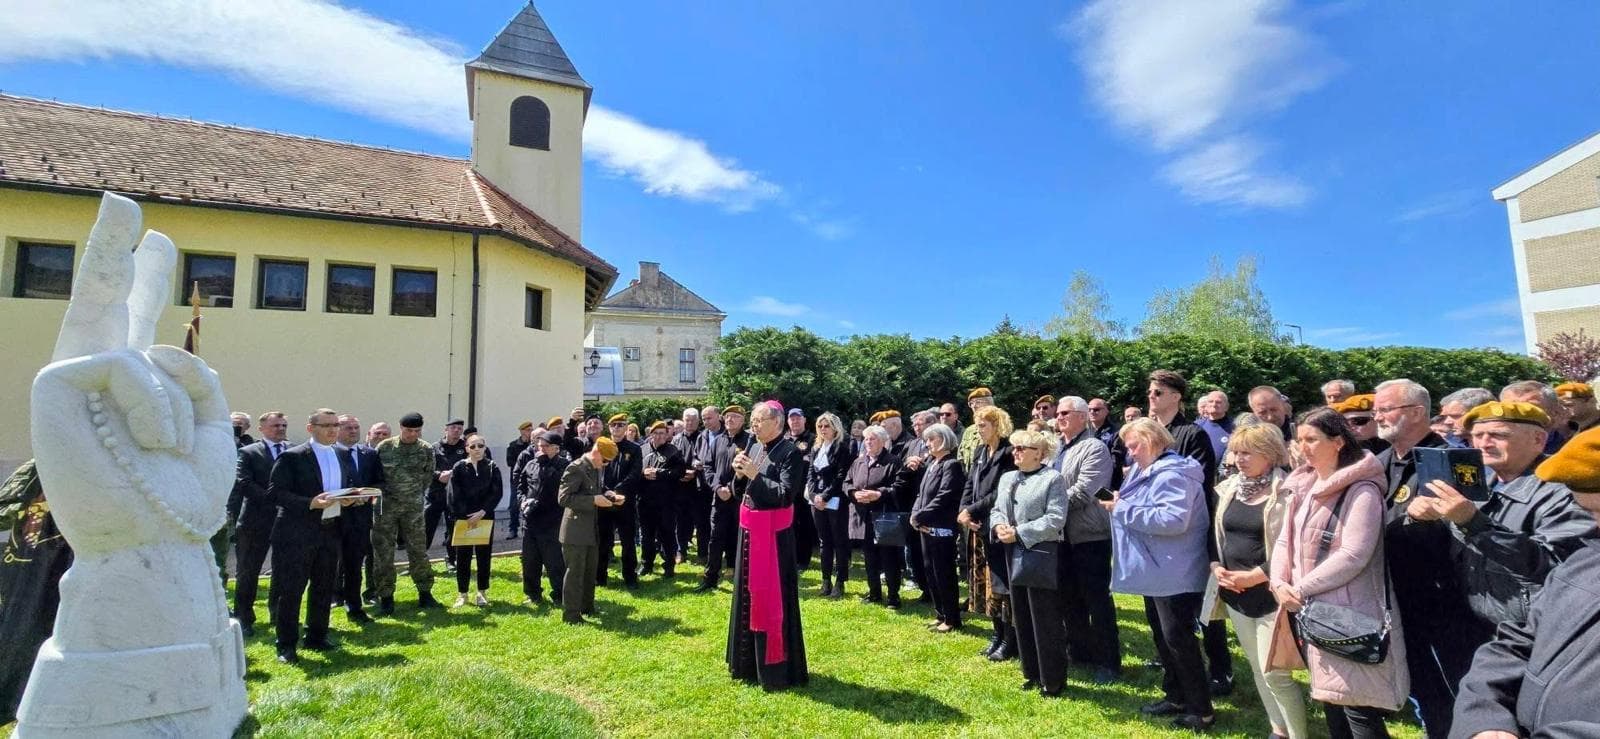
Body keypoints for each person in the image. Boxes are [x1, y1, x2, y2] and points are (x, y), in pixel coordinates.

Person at [1451, 425, 1600, 737]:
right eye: (1590, 512)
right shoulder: (1586, 560)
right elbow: (1518, 641)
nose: (1595, 527)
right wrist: (1483, 719)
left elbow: (1537, 561)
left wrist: (1475, 524)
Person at [1273, 408, 1408, 739]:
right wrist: (1278, 581)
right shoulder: (1303, 484)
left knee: (1357, 709)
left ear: (1336, 442)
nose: (1303, 447)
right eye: (1299, 439)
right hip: (1311, 609)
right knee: (1331, 701)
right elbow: (1283, 540)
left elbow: (1353, 554)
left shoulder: (1361, 489)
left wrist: (1300, 587)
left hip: (1348, 611)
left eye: (1312, 439)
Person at [1405, 401, 1596, 627]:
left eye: (1498, 435)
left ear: (1538, 439)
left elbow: (1554, 565)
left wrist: (1473, 522)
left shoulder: (1564, 491)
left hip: (1529, 631)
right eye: (1477, 435)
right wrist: (1420, 518)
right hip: (1470, 622)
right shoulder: (1475, 484)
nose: (1484, 443)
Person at [1373, 378, 1469, 737]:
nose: (1377, 416)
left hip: (1442, 603)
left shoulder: (1449, 461)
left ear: (1416, 412)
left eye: (1386, 409)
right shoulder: (1380, 462)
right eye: (1377, 409)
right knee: (1421, 688)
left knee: (1453, 689)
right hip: (1395, 596)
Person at [1107, 417, 1214, 730]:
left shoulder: (1174, 473)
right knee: (1164, 637)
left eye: (1134, 445)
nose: (1130, 453)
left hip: (1174, 571)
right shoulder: (1149, 470)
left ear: (1153, 440)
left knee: (1179, 638)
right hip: (1158, 570)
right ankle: (1177, 695)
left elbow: (1172, 520)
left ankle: (1201, 709)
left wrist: (1121, 509)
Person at [1206, 423, 1308, 739]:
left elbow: (1293, 546)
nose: (1239, 459)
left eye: (1247, 452)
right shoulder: (1229, 488)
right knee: (1257, 669)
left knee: (1275, 673)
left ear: (1269, 454)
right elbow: (1215, 535)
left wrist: (1257, 575)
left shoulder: (1288, 491)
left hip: (1271, 594)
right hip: (1235, 593)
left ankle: (1298, 734)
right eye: (1236, 452)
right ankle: (1278, 729)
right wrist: (1216, 567)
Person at [1147, 369, 1230, 695]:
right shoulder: (1150, 434)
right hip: (1151, 537)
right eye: (1150, 392)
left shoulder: (1192, 435)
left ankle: (1217, 673)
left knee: (1190, 618)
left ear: (1176, 397)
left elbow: (1194, 488)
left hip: (1184, 540)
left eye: (1158, 392)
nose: (1151, 397)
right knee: (1158, 620)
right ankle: (1174, 687)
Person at [727, 401, 809, 690]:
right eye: (753, 420)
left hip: (773, 540)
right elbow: (741, 492)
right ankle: (745, 663)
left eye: (760, 420)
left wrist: (753, 475)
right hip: (748, 532)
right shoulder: (754, 447)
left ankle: (775, 669)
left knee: (772, 602)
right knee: (746, 596)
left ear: (778, 422)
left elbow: (785, 495)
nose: (754, 425)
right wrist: (738, 476)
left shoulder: (790, 454)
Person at [268, 409, 359, 663]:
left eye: (335, 425)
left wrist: (349, 498)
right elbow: (276, 493)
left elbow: (339, 488)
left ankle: (316, 636)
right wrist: (310, 503)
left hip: (330, 529)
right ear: (311, 428)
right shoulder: (293, 457)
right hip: (297, 532)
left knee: (324, 586)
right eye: (326, 425)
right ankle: (286, 644)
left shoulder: (340, 454)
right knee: (292, 589)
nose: (332, 430)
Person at [990, 428, 1068, 697]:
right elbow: (997, 509)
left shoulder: (1053, 479)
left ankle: (1053, 678)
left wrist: (1020, 532)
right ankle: (1031, 672)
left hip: (1040, 553)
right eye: (1015, 447)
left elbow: (1056, 518)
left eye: (1022, 448)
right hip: (1011, 552)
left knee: (1044, 617)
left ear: (1040, 454)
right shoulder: (1008, 477)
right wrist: (999, 526)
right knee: (1020, 614)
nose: (1016, 452)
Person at [1051, 396, 1120, 682]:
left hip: (1089, 535)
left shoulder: (1095, 448)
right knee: (1068, 598)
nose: (1059, 417)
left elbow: (1085, 491)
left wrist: (1047, 506)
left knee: (1096, 600)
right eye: (1058, 413)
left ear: (1082, 417)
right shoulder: (1056, 450)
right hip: (1061, 535)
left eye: (1065, 412)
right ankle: (1080, 651)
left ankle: (1109, 662)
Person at [958, 405, 1016, 658]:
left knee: (1003, 585)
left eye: (983, 425)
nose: (978, 430)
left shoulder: (1008, 452)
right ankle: (997, 633)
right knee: (988, 586)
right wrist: (964, 510)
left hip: (998, 526)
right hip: (978, 527)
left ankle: (1010, 639)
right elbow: (970, 483)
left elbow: (999, 492)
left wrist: (971, 510)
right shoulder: (981, 451)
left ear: (997, 425)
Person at [372, 412, 441, 615]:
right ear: (401, 428)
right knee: (383, 553)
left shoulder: (426, 449)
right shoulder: (384, 447)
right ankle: (386, 597)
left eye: (417, 431)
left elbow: (428, 477)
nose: (413, 434)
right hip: (386, 508)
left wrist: (413, 495)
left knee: (418, 550)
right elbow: (376, 476)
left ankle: (425, 592)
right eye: (409, 430)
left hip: (413, 508)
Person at [231, 411, 288, 636]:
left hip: (286, 520)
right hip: (255, 520)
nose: (281, 429)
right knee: (248, 571)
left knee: (283, 570)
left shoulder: (293, 451)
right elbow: (243, 482)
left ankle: (278, 614)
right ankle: (244, 618)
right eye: (275, 425)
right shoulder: (248, 452)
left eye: (283, 425)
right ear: (262, 429)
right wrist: (275, 499)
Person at [911, 422, 966, 633]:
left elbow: (945, 496)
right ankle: (940, 613)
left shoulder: (951, 464)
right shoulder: (932, 464)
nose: (927, 443)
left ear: (943, 439)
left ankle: (952, 617)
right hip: (925, 526)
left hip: (941, 526)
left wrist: (921, 516)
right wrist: (916, 514)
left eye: (931, 439)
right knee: (930, 571)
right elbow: (921, 494)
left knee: (944, 572)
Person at [559, 437, 619, 624]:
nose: (606, 465)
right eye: (605, 460)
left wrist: (609, 495)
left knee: (589, 571)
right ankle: (571, 615)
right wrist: (593, 500)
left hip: (590, 529)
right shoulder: (576, 468)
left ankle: (587, 606)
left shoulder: (595, 467)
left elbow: (596, 489)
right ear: (597, 452)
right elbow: (564, 498)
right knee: (575, 573)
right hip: (575, 530)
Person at [846, 423, 904, 607]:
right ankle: (874, 593)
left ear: (883, 441)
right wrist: (854, 493)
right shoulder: (859, 461)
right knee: (869, 557)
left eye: (873, 439)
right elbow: (846, 482)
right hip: (862, 517)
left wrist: (879, 493)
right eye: (867, 439)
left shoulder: (893, 461)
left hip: (884, 517)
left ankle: (893, 596)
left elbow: (900, 487)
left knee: (889, 558)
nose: (869, 442)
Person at [332, 414, 383, 623]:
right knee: (332, 562)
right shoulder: (329, 453)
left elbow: (380, 481)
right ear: (337, 430)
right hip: (333, 515)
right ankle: (334, 596)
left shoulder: (369, 454)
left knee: (354, 563)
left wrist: (368, 494)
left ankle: (355, 606)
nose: (353, 431)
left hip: (360, 517)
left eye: (356, 427)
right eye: (348, 427)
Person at [698, 406, 751, 592]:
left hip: (740, 499)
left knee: (740, 539)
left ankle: (740, 576)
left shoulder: (749, 441)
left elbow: (748, 470)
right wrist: (717, 487)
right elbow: (708, 467)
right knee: (715, 537)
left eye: (735, 417)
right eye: (727, 417)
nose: (730, 420)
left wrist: (729, 488)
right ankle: (710, 577)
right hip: (719, 498)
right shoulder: (718, 440)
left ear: (743, 420)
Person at [446, 434, 501, 607]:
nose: (477, 449)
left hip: (485, 517)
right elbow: (454, 494)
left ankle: (482, 592)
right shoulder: (459, 467)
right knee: (463, 556)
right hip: (465, 519)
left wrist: (483, 511)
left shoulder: (492, 467)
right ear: (466, 449)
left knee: (484, 556)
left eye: (480, 446)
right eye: (473, 446)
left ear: (485, 448)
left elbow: (496, 492)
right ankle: (462, 594)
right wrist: (465, 516)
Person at [806, 412, 856, 598]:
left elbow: (841, 475)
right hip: (816, 500)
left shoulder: (843, 447)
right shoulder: (816, 447)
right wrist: (813, 495)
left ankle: (840, 581)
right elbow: (811, 472)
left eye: (826, 426)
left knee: (839, 541)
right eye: (820, 426)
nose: (823, 429)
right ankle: (825, 579)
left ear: (835, 427)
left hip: (835, 500)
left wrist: (825, 496)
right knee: (823, 541)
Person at [518, 431, 569, 605]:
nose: (541, 450)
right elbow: (521, 486)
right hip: (531, 521)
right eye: (539, 446)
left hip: (552, 521)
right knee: (530, 561)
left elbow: (563, 489)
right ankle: (533, 594)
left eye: (545, 447)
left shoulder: (564, 466)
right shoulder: (531, 464)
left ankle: (560, 594)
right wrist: (523, 501)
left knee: (554, 562)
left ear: (556, 448)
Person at [597, 414, 642, 588]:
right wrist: (606, 492)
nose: (617, 428)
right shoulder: (601, 446)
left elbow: (635, 473)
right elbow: (597, 472)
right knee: (602, 541)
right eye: (614, 425)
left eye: (621, 425)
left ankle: (630, 577)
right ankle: (600, 577)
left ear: (626, 428)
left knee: (628, 542)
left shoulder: (634, 448)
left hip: (625, 502)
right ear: (609, 428)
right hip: (604, 502)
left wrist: (618, 491)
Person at [639, 421, 687, 577]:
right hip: (645, 501)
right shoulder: (642, 450)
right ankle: (646, 564)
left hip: (666, 501)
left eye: (662, 433)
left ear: (667, 435)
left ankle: (669, 565)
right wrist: (643, 474)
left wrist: (659, 473)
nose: (659, 436)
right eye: (655, 433)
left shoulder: (674, 451)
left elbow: (680, 472)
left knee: (666, 534)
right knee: (646, 535)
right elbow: (634, 471)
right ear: (650, 434)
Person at [426, 418, 468, 550]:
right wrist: (438, 475)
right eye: (453, 427)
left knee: (453, 529)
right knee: (427, 527)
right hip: (436, 493)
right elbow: (425, 469)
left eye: (459, 428)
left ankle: (452, 559)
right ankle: (420, 561)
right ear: (446, 429)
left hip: (456, 495)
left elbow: (472, 466)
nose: (456, 430)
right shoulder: (434, 447)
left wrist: (453, 473)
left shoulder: (466, 447)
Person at [785, 407, 818, 570]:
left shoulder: (813, 439)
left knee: (804, 525)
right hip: (785, 490)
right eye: (792, 418)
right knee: (787, 524)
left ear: (805, 420)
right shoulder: (783, 439)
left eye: (798, 418)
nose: (795, 421)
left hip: (804, 490)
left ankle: (803, 560)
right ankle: (788, 556)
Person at [672, 407, 706, 565]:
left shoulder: (704, 438)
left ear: (698, 421)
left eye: (693, 420)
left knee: (701, 522)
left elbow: (708, 462)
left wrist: (695, 473)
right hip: (680, 488)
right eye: (687, 420)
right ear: (683, 420)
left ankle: (702, 553)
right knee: (681, 521)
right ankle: (681, 551)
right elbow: (671, 462)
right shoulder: (676, 439)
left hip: (699, 487)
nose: (690, 423)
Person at [1501, 380, 1570, 454]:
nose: (1518, 414)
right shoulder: (1490, 449)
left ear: (1555, 413)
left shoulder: (1569, 452)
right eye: (1509, 409)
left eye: (1531, 409)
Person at [505, 420, 535, 539]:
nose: (530, 432)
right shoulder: (513, 445)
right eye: (528, 430)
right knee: (514, 505)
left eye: (531, 430)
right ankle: (513, 528)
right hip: (517, 480)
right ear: (522, 431)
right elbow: (509, 462)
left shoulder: (533, 446)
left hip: (532, 479)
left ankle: (529, 528)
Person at [958, 388, 995, 470]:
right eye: (971, 403)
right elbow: (961, 458)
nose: (974, 406)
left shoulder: (999, 427)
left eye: (978, 402)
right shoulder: (969, 431)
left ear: (990, 404)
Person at [1196, 390, 1234, 463]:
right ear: (1206, 406)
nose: (1214, 404)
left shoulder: (1235, 428)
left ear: (1226, 407)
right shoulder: (1196, 426)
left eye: (1218, 402)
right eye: (1210, 401)